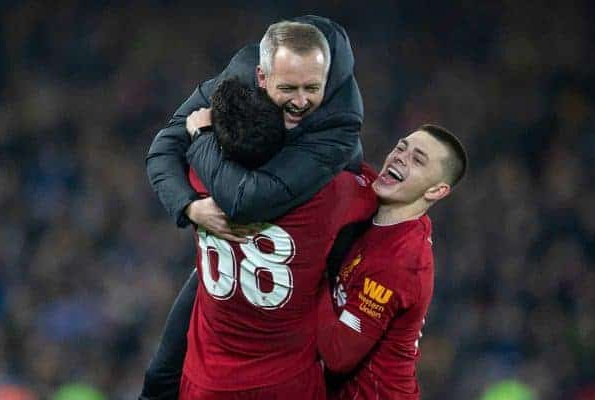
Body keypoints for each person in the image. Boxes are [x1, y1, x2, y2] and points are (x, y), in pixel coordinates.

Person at [142, 15, 365, 399]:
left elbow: (246, 201)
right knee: (162, 377)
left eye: (313, 87)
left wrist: (203, 138)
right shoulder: (237, 79)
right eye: (288, 88)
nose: (300, 101)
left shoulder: (340, 123)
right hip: (237, 261)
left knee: (338, 370)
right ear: (261, 78)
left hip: (312, 260)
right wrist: (190, 207)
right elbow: (163, 148)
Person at [181, 82, 378, 398]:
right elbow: (376, 190)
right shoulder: (331, 193)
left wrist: (200, 133)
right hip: (287, 380)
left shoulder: (198, 177)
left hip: (209, 381)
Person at [317, 125, 468, 399]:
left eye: (418, 159)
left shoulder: (401, 261)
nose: (400, 157)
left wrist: (311, 272)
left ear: (436, 190)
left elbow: (338, 354)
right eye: (401, 147)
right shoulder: (378, 203)